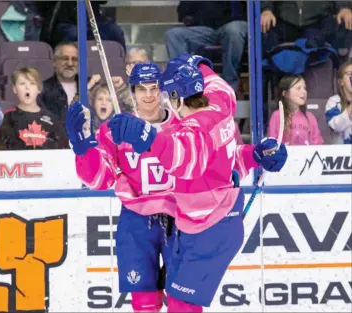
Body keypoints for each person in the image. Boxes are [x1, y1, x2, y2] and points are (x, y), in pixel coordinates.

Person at [107, 58, 288, 312]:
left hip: (210, 226)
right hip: (197, 225)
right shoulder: (219, 103)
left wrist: (145, 135)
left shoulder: (194, 129)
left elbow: (183, 157)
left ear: (176, 98)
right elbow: (227, 156)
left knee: (182, 305)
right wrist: (256, 155)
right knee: (176, 297)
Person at [65, 62, 180, 313]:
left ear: (163, 90)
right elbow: (100, 180)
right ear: (132, 92)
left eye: (154, 88)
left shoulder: (183, 126)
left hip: (181, 219)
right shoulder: (115, 129)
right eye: (142, 89)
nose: (149, 95)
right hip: (136, 220)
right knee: (143, 302)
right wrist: (82, 149)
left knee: (183, 300)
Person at [0, 67, 68, 150]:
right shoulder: (8, 118)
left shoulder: (52, 119)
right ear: (15, 89)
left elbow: (64, 151)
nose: (27, 88)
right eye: (22, 84)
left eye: (32, 83)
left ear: (39, 89)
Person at [268, 75, 323, 145]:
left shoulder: (310, 117)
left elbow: (317, 143)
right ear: (285, 93)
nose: (303, 92)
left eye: (304, 88)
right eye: (298, 88)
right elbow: (272, 143)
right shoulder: (277, 116)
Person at [325, 61, 352, 144]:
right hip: (342, 152)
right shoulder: (334, 101)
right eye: (350, 74)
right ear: (341, 82)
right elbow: (336, 126)